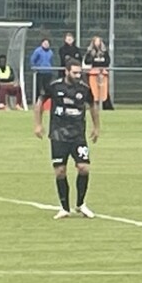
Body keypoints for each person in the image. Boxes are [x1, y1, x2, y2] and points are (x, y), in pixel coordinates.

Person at [32, 58, 100, 220]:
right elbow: (40, 102)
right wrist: (38, 124)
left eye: (79, 73)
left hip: (78, 136)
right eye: (75, 73)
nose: (78, 75)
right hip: (58, 135)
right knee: (60, 171)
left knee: (83, 168)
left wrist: (96, 127)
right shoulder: (55, 86)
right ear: (66, 71)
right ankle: (64, 208)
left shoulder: (84, 89)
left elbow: (93, 106)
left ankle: (81, 204)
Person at [84, 36, 111, 105]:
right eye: (96, 41)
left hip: (103, 73)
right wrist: (93, 59)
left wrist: (101, 61)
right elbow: (86, 61)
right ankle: (94, 103)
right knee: (94, 89)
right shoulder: (90, 52)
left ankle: (102, 103)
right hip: (93, 73)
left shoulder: (104, 52)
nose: (97, 43)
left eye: (99, 41)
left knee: (103, 89)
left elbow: (107, 61)